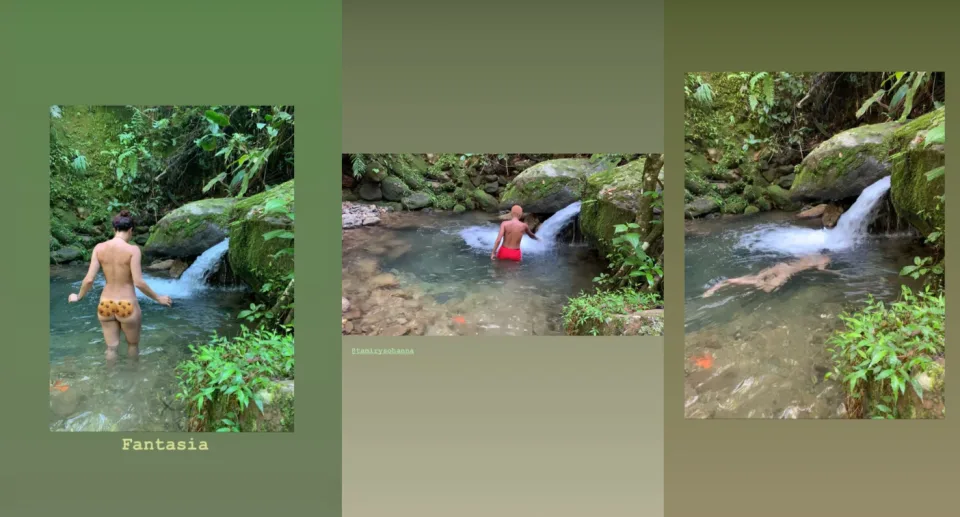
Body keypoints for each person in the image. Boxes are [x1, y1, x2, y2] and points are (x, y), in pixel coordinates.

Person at [67, 210, 173, 363]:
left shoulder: (99, 248)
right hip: (127, 304)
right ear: (130, 230)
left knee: (111, 348)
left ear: (114, 229)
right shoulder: (133, 250)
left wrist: (78, 296)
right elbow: (138, 282)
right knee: (132, 345)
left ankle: (109, 382)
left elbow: (89, 279)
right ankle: (132, 380)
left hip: (106, 304)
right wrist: (159, 298)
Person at [702, 254, 832, 297]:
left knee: (756, 278)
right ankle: (726, 284)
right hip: (787, 271)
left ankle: (723, 283)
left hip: (780, 265)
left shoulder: (811, 253)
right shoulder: (825, 259)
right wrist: (836, 273)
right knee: (767, 288)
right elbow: (821, 270)